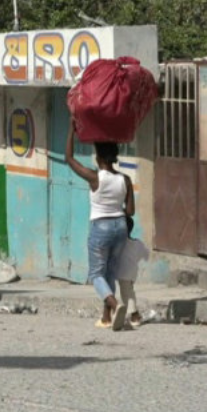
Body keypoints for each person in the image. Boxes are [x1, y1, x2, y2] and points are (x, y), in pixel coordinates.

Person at [65, 118, 135, 331]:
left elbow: (68, 158)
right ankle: (106, 317)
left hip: (101, 227)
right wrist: (116, 213)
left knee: (96, 274)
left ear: (98, 157)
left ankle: (115, 305)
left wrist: (71, 129)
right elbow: (130, 211)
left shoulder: (95, 177)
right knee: (110, 273)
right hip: (121, 227)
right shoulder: (125, 179)